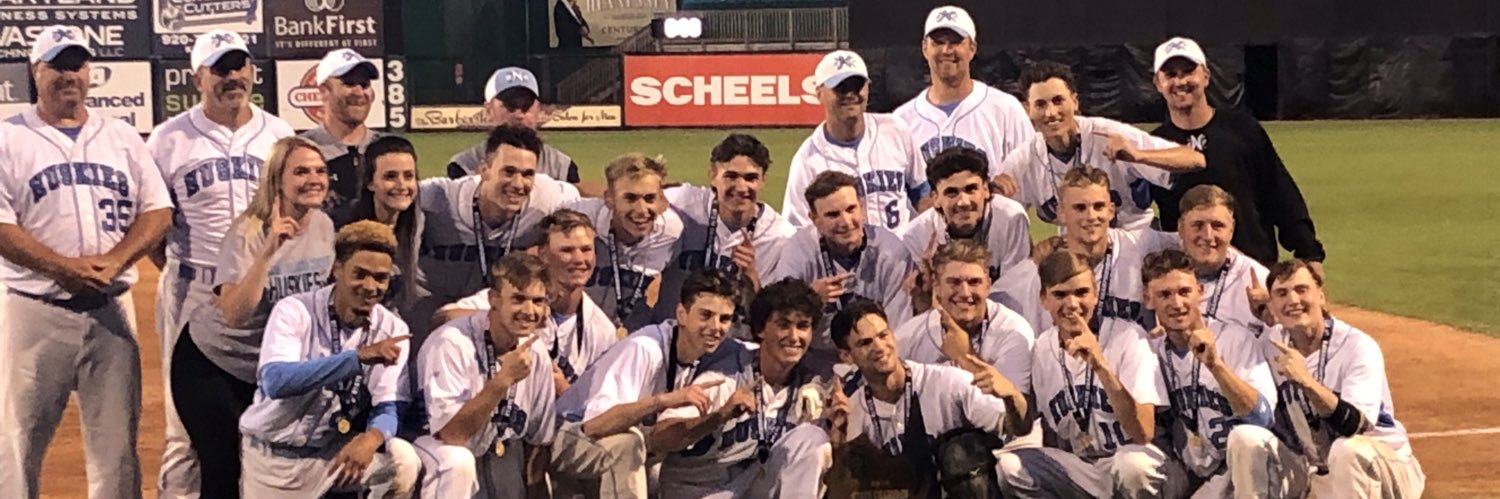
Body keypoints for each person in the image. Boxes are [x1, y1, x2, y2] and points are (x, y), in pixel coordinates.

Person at [0, 25, 173, 499]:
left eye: (76, 64)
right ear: (36, 72)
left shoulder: (119, 136)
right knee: (18, 446)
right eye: (56, 65)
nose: (68, 75)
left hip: (111, 312)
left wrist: (116, 260)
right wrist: (62, 267)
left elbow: (158, 210)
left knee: (117, 453)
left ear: (90, 72)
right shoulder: (8, 138)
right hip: (34, 311)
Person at [146, 28, 295, 497]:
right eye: (220, 69)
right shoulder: (168, 139)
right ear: (198, 78)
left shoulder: (277, 133)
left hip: (264, 289)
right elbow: (153, 223)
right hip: (192, 289)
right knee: (184, 429)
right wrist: (182, 269)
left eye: (239, 66)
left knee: (262, 412)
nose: (232, 77)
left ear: (252, 71)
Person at [171, 137, 337, 497]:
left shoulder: (324, 226)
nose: (314, 179)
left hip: (267, 372)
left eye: (320, 171)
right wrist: (268, 251)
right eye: (301, 171)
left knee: (269, 469)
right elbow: (234, 313)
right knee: (224, 470)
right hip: (213, 365)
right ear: (277, 181)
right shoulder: (248, 232)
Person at [236, 221, 420, 497]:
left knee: (402, 462)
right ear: (337, 270)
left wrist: (371, 439)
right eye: (360, 274)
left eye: (380, 278)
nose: (370, 287)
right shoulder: (295, 310)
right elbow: (276, 381)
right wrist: (356, 359)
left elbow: (389, 404)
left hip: (330, 459)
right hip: (273, 461)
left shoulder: (393, 329)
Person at [1226, 260, 1424, 498]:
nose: (1293, 300)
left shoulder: (1357, 346)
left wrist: (1306, 381)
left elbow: (1354, 425)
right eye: (1282, 294)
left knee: (1347, 450)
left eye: (1302, 290)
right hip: (1319, 473)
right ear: (1272, 306)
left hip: (1385, 466)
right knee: (1245, 438)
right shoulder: (1270, 343)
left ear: (1320, 296)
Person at [550, 269, 742, 499]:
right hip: (566, 437)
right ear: (682, 313)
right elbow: (595, 426)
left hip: (603, 452)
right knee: (629, 445)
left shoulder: (694, 357)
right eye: (705, 315)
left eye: (724, 319)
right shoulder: (645, 348)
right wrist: (662, 401)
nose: (715, 326)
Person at [995, 251, 1168, 498]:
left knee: (1131, 466)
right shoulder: (1043, 348)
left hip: (1139, 461)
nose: (1072, 304)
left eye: (1081, 293)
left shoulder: (1128, 337)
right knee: (1011, 467)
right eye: (1060, 294)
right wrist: (1010, 395)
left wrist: (1101, 366)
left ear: (1096, 295)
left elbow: (1143, 433)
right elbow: (1047, 432)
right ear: (1043, 298)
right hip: (1085, 468)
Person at [1149, 37, 1326, 270]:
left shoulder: (1242, 129)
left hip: (1253, 268)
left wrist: (1308, 252)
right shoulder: (1153, 146)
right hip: (1187, 279)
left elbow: (1280, 193)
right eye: (1170, 74)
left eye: (1188, 71)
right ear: (1157, 82)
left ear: (1206, 76)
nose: (1180, 81)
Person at [654, 279, 834, 499]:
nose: (794, 336)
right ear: (760, 330)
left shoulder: (810, 386)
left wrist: (838, 435)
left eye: (803, 326)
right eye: (783, 325)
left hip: (753, 488)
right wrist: (718, 417)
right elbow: (659, 437)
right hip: (699, 491)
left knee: (812, 438)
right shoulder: (727, 374)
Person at [828, 298, 1015, 497]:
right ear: (847, 356)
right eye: (866, 342)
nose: (879, 347)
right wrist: (838, 444)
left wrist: (1012, 397)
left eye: (883, 335)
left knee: (960, 453)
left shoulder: (947, 382)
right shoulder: (852, 412)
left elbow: (1010, 426)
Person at [412, 252, 558, 499]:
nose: (529, 311)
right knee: (459, 463)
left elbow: (539, 441)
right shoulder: (452, 342)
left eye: (538, 301)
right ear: (494, 299)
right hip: (431, 450)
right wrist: (502, 381)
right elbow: (451, 435)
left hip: (496, 451)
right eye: (519, 299)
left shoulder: (537, 351)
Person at [412, 125, 577, 341]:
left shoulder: (548, 199)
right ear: (484, 170)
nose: (518, 184)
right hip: (432, 317)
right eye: (508, 172)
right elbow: (392, 196)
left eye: (528, 174)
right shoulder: (440, 198)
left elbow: (593, 206)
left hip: (505, 317)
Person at [997, 60, 1205, 231]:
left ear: (1075, 101)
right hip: (1078, 254)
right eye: (1040, 104)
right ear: (1027, 109)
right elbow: (992, 212)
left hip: (1135, 245)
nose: (1051, 113)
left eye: (1058, 100)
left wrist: (1139, 155)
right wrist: (992, 190)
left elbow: (1195, 159)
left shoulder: (1107, 134)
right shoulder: (1023, 160)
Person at [1140, 249, 1276, 497]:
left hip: (1244, 471)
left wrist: (1217, 366)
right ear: (1148, 299)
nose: (1177, 303)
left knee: (1248, 438)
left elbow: (1262, 419)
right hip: (1191, 474)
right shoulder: (1149, 353)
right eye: (1164, 295)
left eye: (1184, 292)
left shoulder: (1235, 339)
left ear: (1200, 293)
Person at [433, 209, 620, 388]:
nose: (579, 259)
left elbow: (597, 404)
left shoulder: (602, 331)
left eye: (586, 249)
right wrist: (512, 317)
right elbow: (444, 317)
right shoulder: (516, 295)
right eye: (567, 250)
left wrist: (565, 392)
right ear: (543, 254)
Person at [653, 133, 797, 330]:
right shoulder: (682, 203)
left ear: (763, 180)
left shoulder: (781, 237)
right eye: (731, 176)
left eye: (751, 178)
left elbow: (773, 320)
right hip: (673, 336)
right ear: (713, 176)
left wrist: (751, 277)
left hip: (734, 347)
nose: (741, 187)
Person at [767, 171, 916, 352]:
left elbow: (900, 327)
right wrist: (810, 300)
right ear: (814, 219)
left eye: (851, 209)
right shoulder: (798, 251)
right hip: (815, 361)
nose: (845, 222)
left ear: (862, 208)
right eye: (833, 215)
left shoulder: (891, 251)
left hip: (876, 356)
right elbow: (779, 322)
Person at [898, 146, 1041, 329]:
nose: (963, 202)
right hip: (941, 325)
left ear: (986, 190)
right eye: (951, 192)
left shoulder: (1011, 218)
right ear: (935, 198)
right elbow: (920, 308)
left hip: (1005, 323)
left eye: (971, 189)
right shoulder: (916, 235)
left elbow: (1015, 292)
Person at [783, 50, 927, 231]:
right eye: (841, 87)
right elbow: (797, 230)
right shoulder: (808, 160)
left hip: (903, 255)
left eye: (857, 85)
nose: (850, 94)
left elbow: (923, 195)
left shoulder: (895, 130)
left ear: (867, 88)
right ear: (819, 93)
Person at [893, 5, 1032, 179]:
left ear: (972, 48)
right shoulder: (901, 120)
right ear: (924, 48)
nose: (946, 50)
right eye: (938, 42)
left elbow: (1032, 176)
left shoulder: (1005, 109)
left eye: (955, 42)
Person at [893, 240, 1034, 401]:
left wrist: (965, 356)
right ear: (936, 286)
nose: (965, 293)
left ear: (988, 285)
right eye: (954, 282)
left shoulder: (1014, 331)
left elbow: (1016, 413)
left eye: (974, 282)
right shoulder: (909, 337)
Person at [1043, 166, 1176, 330]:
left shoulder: (1141, 244)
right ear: (1061, 212)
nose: (1091, 216)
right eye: (1079, 208)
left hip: (1131, 354)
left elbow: (1196, 244)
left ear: (1111, 210)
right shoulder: (1045, 268)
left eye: (1098, 206)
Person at [564, 153, 683, 332]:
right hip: (577, 331)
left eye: (649, 198)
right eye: (630, 198)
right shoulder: (581, 217)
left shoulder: (673, 231)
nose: (641, 210)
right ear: (609, 199)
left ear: (661, 201)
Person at [446, 67, 582, 189]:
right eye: (510, 106)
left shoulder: (562, 166)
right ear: (488, 110)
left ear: (538, 109)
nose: (519, 115)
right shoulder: (462, 166)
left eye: (526, 106)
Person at [335, 135, 423, 313]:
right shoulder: (344, 228)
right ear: (370, 183)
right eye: (390, 176)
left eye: (408, 176)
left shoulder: (422, 223)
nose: (402, 185)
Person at [1173, 184, 1269, 334]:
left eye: (1217, 226)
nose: (1208, 236)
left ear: (1231, 230)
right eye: (1198, 225)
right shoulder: (1161, 268)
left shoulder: (1258, 280)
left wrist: (1273, 317)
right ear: (1181, 228)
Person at [301, 48, 385, 214]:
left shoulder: (386, 148)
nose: (359, 92)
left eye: (365, 84)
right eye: (350, 83)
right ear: (324, 90)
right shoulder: (301, 151)